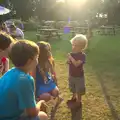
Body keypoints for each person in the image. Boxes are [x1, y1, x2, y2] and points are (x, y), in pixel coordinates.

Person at [0, 40, 48, 120]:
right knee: (43, 116)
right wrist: (40, 103)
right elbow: (32, 113)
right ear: (30, 61)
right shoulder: (26, 79)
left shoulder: (9, 73)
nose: (37, 60)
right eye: (37, 57)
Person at [67, 34, 88, 108]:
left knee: (79, 89)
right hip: (71, 75)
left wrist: (70, 57)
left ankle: (78, 102)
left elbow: (76, 64)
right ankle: (74, 97)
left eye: (76, 45)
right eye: (73, 45)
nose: (73, 47)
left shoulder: (82, 56)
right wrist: (68, 60)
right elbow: (69, 63)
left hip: (79, 76)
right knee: (73, 88)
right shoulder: (72, 54)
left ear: (81, 47)